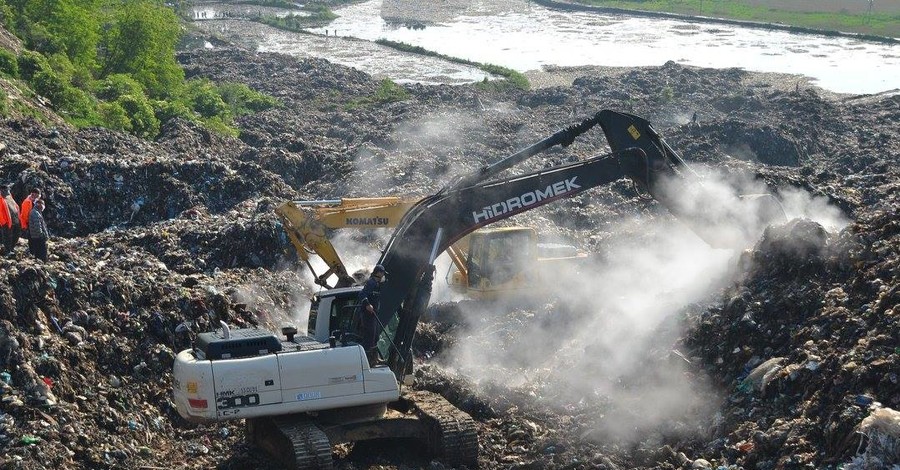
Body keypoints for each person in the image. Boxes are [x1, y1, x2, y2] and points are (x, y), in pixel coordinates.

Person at [357, 264, 387, 366]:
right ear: (379, 273)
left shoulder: (377, 284)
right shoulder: (371, 283)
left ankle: (375, 358)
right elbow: (362, 294)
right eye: (383, 274)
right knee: (369, 337)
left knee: (375, 337)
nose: (383, 276)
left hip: (374, 315)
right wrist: (367, 304)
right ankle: (367, 361)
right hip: (368, 315)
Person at [1, 186, 20, 253]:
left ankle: (11, 248)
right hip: (6, 222)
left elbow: (15, 206)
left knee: (16, 235)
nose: (8, 191)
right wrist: (3, 222)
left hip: (15, 220)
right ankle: (7, 251)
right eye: (6, 190)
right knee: (7, 237)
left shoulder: (9, 196)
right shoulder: (1, 198)